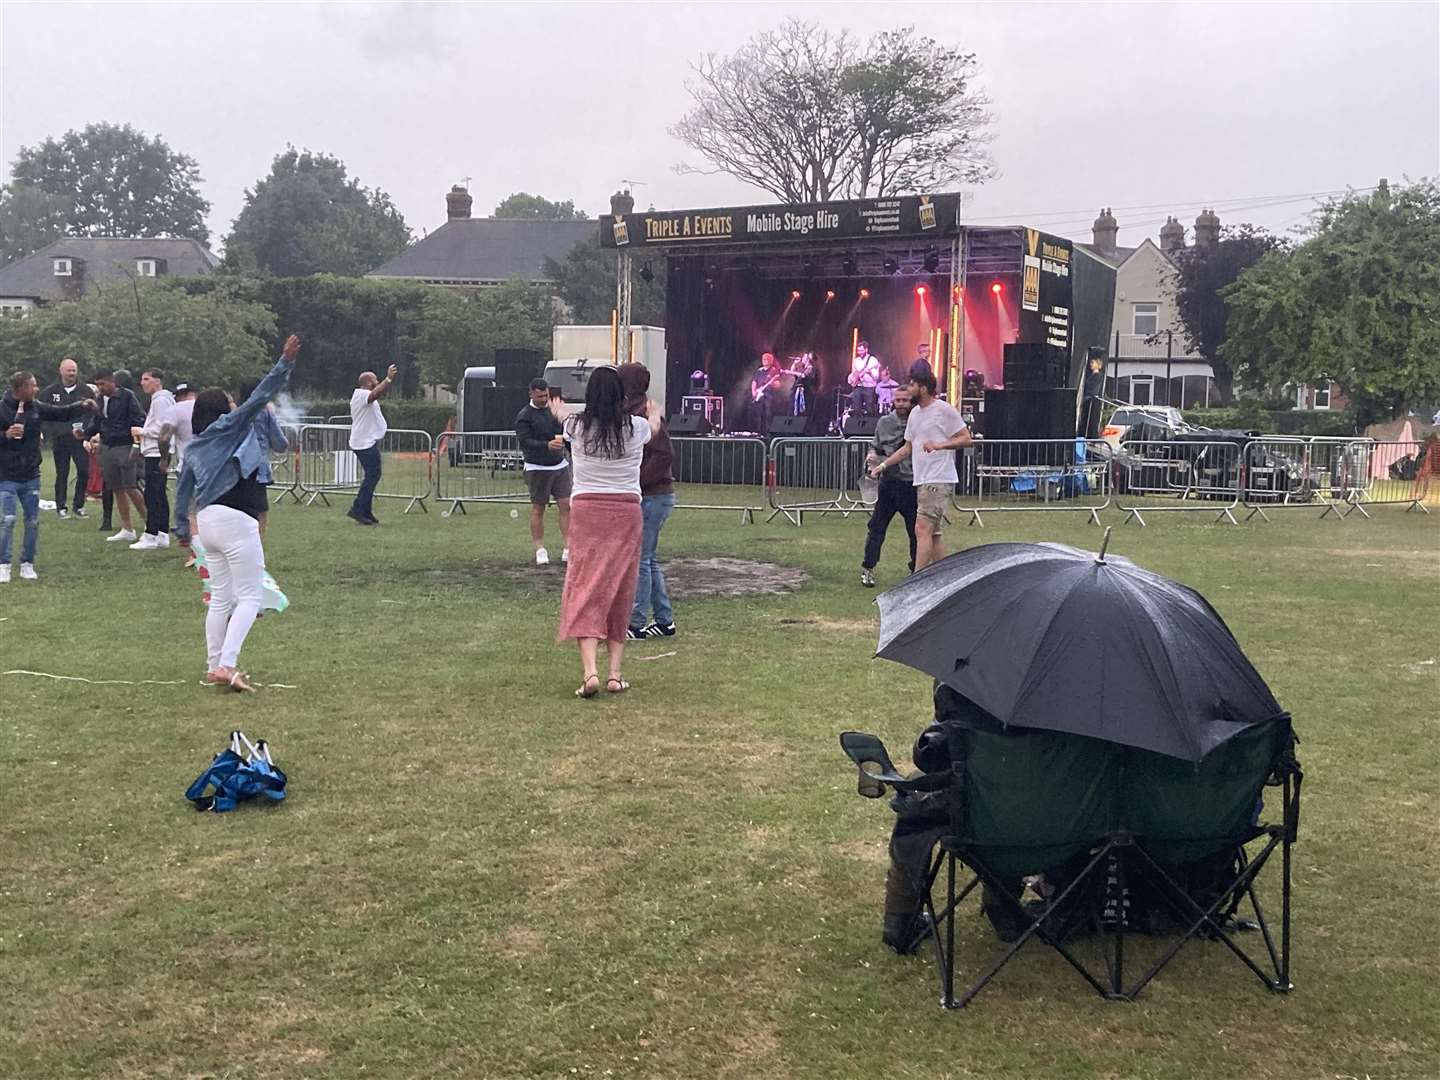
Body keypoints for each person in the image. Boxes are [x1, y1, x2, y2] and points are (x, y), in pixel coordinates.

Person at [174, 334, 301, 692]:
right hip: (236, 520)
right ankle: (227, 664)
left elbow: (182, 490)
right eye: (230, 403)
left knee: (220, 598)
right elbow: (259, 397)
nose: (235, 406)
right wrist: (284, 363)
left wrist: (182, 531)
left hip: (208, 525)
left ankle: (214, 665)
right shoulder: (227, 428)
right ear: (221, 411)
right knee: (249, 596)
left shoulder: (195, 446)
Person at [551, 365, 662, 698]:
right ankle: (615, 674)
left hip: (586, 510)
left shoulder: (576, 427)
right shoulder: (636, 427)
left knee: (584, 584)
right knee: (620, 587)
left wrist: (558, 408)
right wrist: (654, 414)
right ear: (621, 395)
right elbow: (652, 429)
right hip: (626, 512)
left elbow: (563, 418)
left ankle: (590, 673)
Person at [868, 370, 972, 572]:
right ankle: (945, 576)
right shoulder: (915, 414)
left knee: (921, 529)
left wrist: (940, 446)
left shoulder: (944, 410)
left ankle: (918, 579)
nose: (909, 388)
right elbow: (907, 448)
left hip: (939, 478)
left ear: (923, 388)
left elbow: (966, 438)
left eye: (913, 384)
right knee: (934, 533)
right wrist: (883, 465)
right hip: (922, 479)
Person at [0, 371, 96, 582]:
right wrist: (5, 435)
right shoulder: (2, 408)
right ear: (19, 389)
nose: (36, 389)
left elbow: (61, 413)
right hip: (6, 475)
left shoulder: (36, 407)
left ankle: (27, 563)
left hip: (31, 473)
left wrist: (82, 405)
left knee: (32, 521)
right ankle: (4, 564)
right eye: (32, 386)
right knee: (7, 520)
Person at [619, 363, 677, 640]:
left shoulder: (644, 414)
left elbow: (664, 454)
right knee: (648, 560)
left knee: (641, 560)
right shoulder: (633, 412)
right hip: (653, 494)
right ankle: (664, 621)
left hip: (653, 495)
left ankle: (636, 622)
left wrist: (638, 480)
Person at [860, 386, 918, 588]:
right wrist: (872, 460)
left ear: (912, 401)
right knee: (876, 528)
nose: (901, 404)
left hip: (911, 484)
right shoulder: (884, 422)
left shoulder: (918, 421)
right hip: (889, 484)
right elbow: (875, 448)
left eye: (905, 400)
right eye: (898, 400)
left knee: (915, 530)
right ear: (893, 401)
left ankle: (915, 570)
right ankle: (868, 568)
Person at [81, 369, 147, 543]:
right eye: (97, 384)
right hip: (107, 445)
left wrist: (136, 444)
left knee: (131, 486)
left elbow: (139, 419)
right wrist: (86, 434)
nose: (99, 388)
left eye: (102, 384)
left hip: (124, 445)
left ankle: (151, 524)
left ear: (112, 382)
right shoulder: (100, 400)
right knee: (116, 487)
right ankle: (127, 527)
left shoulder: (127, 397)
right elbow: (97, 421)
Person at [514, 377, 570, 566]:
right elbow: (525, 441)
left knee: (566, 504)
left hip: (559, 465)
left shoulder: (552, 411)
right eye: (539, 396)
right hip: (537, 466)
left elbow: (565, 430)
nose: (543, 399)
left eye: (546, 395)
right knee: (539, 507)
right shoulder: (524, 416)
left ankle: (568, 546)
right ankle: (540, 548)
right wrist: (546, 445)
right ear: (531, 394)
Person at [40, 357, 96, 519]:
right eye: (69, 370)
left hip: (80, 439)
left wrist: (87, 432)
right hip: (60, 439)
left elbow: (93, 413)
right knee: (62, 473)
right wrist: (50, 432)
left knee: (84, 471)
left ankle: (78, 506)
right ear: (61, 371)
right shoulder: (51, 391)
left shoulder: (85, 390)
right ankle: (61, 506)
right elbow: (43, 413)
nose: (72, 373)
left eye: (74, 370)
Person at [236, 378, 290, 540]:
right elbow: (279, 442)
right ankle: (258, 537)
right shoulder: (265, 412)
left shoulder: (235, 412)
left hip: (235, 464)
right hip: (257, 464)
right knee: (260, 505)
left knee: (238, 504)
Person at [132, 368, 176, 550]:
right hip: (156, 450)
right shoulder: (161, 400)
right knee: (158, 493)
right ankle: (162, 533)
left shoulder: (160, 400)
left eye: (147, 379)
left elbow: (161, 429)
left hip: (156, 451)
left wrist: (141, 431)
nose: (143, 383)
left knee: (152, 494)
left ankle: (151, 534)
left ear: (158, 381)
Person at [348, 363, 397, 525]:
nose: (377, 382)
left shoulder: (364, 395)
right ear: (369, 383)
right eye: (375, 380)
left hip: (366, 442)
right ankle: (358, 509)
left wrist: (387, 383)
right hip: (364, 443)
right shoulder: (361, 394)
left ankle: (366, 511)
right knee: (372, 476)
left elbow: (379, 392)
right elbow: (376, 393)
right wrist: (388, 378)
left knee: (372, 476)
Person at [749, 351, 787, 434]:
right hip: (759, 396)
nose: (764, 360)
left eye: (766, 359)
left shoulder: (774, 371)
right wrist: (754, 392)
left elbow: (778, 384)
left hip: (769, 396)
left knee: (768, 415)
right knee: (759, 415)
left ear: (771, 361)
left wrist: (772, 383)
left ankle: (767, 434)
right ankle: (758, 433)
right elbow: (754, 382)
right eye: (763, 359)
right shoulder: (759, 371)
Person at [848, 341, 881, 415]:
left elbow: (876, 377)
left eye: (861, 350)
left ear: (866, 350)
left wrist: (869, 372)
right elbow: (854, 373)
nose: (860, 352)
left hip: (869, 387)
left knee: (869, 409)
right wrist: (851, 379)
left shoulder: (873, 360)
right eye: (858, 351)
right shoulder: (856, 361)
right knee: (856, 408)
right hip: (858, 387)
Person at [1079, 352, 1106, 440]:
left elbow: (1091, 387)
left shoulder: (1098, 376)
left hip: (1092, 399)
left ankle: (1091, 435)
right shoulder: (1091, 375)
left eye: (1092, 363)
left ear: (1098, 365)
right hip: (1088, 399)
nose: (1091, 365)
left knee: (1091, 419)